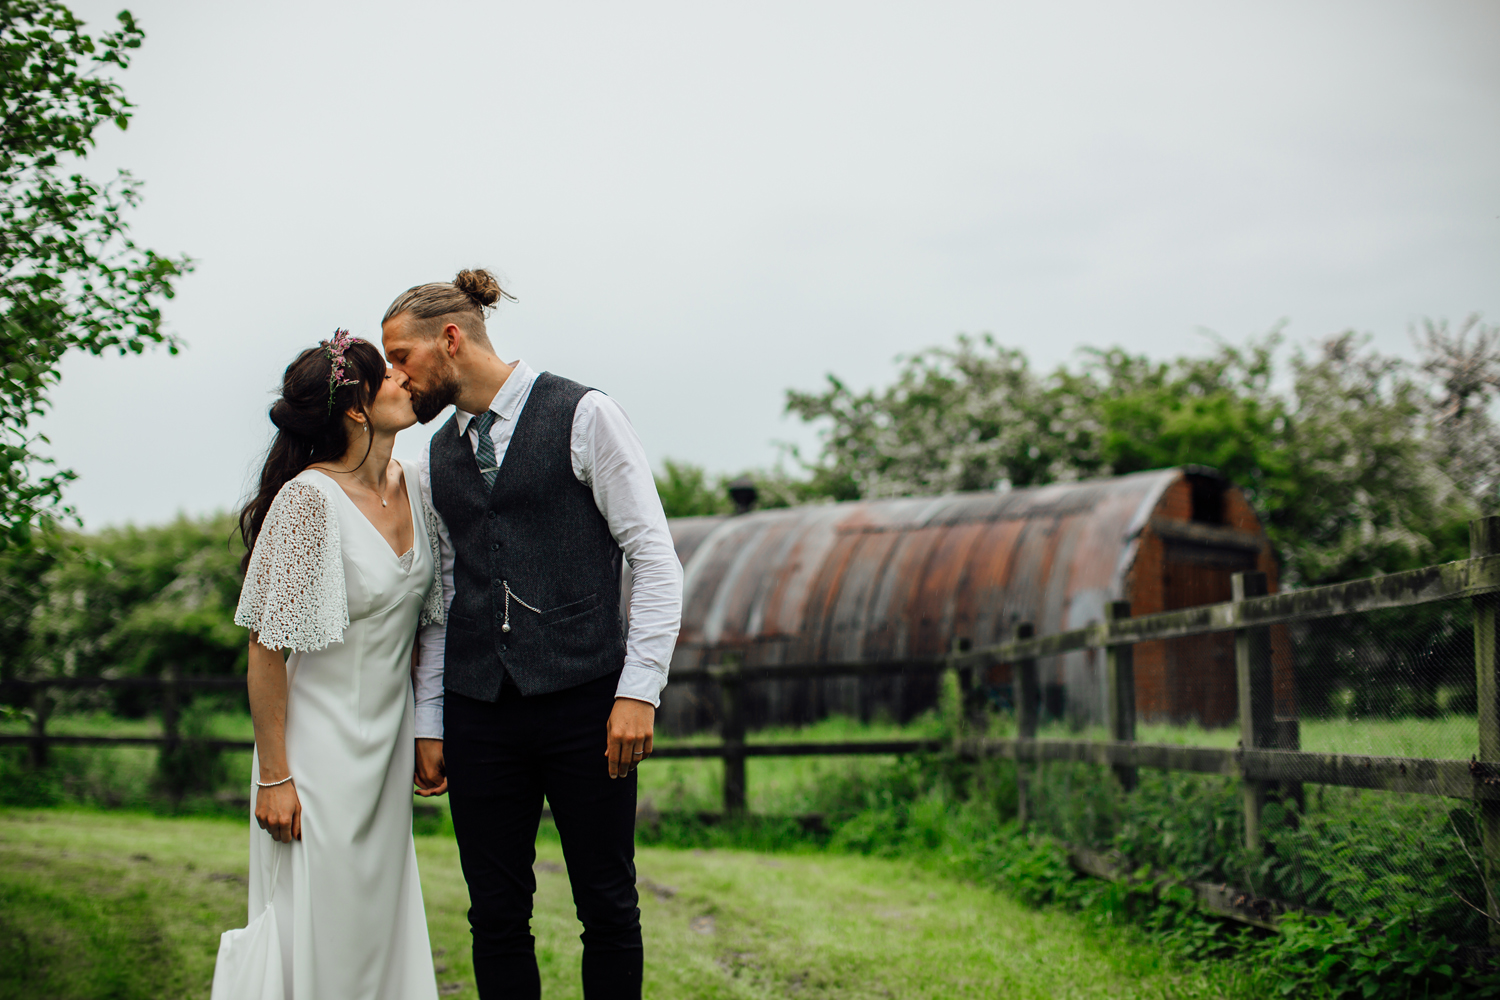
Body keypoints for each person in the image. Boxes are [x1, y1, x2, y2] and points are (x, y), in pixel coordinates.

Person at [383, 269, 683, 1000]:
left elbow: (655, 559)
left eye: (401, 358)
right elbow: (445, 596)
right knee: (494, 918)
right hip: (480, 711)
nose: (394, 377)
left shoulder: (584, 414)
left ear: (449, 340)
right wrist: (431, 721)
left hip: (586, 702)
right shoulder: (436, 458)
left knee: (607, 906)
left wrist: (638, 691)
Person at [227, 330, 443, 1000]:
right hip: (316, 759)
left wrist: (426, 730)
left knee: (378, 928)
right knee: (323, 931)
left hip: (385, 749)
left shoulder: (419, 486)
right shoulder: (307, 502)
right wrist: (275, 778)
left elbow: (423, 623)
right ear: (356, 407)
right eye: (392, 377)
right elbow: (266, 652)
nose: (408, 381)